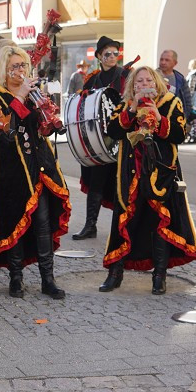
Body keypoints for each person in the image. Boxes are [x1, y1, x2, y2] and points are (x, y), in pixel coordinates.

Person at [99, 67, 196, 295]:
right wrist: (133, 108)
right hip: (130, 172)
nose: (144, 84)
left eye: (148, 80)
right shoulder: (126, 103)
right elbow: (113, 130)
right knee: (123, 220)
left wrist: (157, 116)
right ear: (132, 86)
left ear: (156, 84)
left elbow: (178, 135)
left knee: (160, 223)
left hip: (161, 172)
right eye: (139, 81)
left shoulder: (171, 102)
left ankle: (159, 275)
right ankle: (115, 273)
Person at [0, 43, 70, 299]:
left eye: (23, 66)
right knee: (14, 224)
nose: (20, 71)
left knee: (42, 224)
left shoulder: (33, 93)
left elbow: (40, 128)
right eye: (14, 66)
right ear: (2, 69)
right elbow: (2, 129)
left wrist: (48, 120)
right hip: (10, 171)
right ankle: (15, 278)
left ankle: (47, 280)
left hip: (38, 166)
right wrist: (19, 98)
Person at [72, 36, 127, 240]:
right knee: (96, 180)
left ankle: (121, 228)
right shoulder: (93, 78)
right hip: (98, 139)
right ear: (99, 56)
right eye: (107, 54)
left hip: (120, 136)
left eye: (115, 53)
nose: (112, 57)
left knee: (121, 182)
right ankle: (90, 225)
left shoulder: (125, 75)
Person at [157, 50, 193, 121]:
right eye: (161, 59)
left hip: (175, 120)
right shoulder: (152, 76)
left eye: (167, 60)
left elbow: (187, 100)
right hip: (157, 118)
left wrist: (184, 117)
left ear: (175, 63)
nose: (163, 62)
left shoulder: (180, 79)